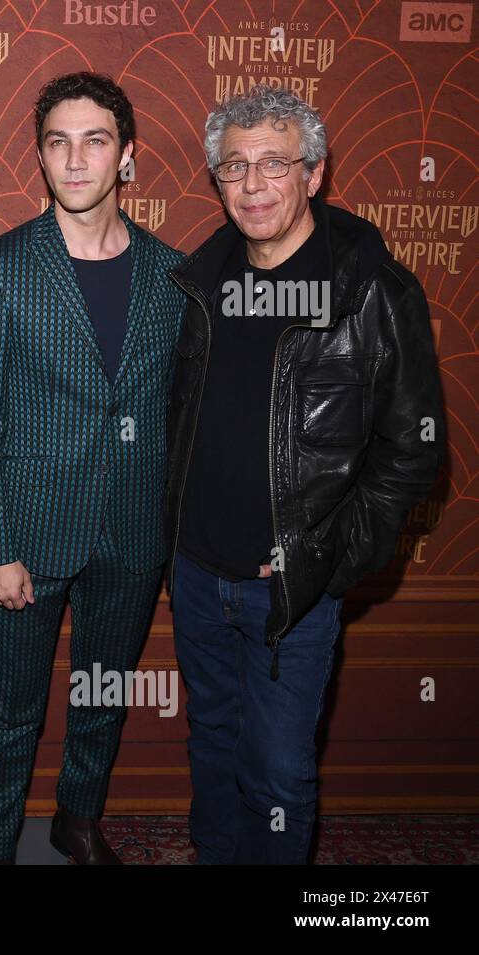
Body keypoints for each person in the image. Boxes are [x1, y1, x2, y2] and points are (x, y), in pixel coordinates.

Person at [165, 84, 443, 864]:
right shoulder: (196, 282)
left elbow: (415, 450)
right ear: (216, 179)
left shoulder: (372, 292)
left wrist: (328, 556)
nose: (253, 186)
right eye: (234, 167)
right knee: (212, 749)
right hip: (195, 573)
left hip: (291, 587)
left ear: (314, 174)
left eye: (274, 164)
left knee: (279, 774)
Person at [0, 72, 186, 864]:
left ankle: (79, 821)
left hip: (132, 531)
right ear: (41, 157)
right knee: (11, 709)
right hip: (29, 533)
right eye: (58, 142)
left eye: (95, 141)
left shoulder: (175, 273)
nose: (76, 159)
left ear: (127, 155)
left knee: (103, 697)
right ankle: (0, 843)